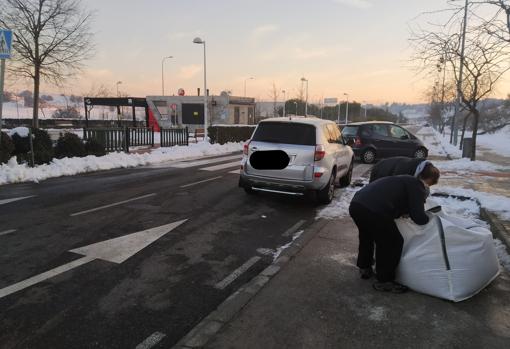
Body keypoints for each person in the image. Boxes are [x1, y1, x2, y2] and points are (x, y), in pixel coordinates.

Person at [349, 167, 440, 293]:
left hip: (357, 204)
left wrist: (402, 212)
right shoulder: (418, 187)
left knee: (367, 236)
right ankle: (385, 281)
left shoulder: (405, 179)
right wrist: (430, 219)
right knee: (392, 242)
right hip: (374, 210)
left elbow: (393, 198)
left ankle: (365, 267)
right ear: (429, 180)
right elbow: (419, 217)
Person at [369, 156, 433, 184]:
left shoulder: (417, 167)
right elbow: (394, 189)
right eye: (426, 183)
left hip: (386, 171)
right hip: (380, 172)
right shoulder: (405, 171)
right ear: (422, 176)